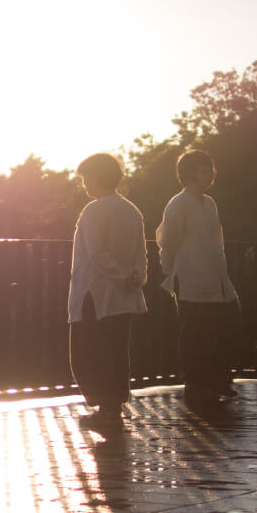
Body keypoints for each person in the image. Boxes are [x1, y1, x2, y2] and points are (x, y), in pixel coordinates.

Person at [68, 153, 148, 430]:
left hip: (95, 293)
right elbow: (141, 250)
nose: (85, 184)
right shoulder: (131, 210)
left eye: (86, 178)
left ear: (97, 177)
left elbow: (97, 253)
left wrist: (121, 275)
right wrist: (135, 275)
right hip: (124, 294)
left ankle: (103, 409)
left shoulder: (94, 210)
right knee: (116, 351)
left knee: (87, 350)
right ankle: (112, 408)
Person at [155, 149, 241, 401]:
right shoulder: (178, 203)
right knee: (195, 332)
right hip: (190, 277)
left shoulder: (209, 203)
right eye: (204, 171)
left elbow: (218, 240)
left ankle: (216, 378)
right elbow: (167, 242)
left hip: (215, 278)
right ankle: (195, 383)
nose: (210, 177)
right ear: (189, 174)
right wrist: (172, 272)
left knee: (222, 327)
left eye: (211, 171)